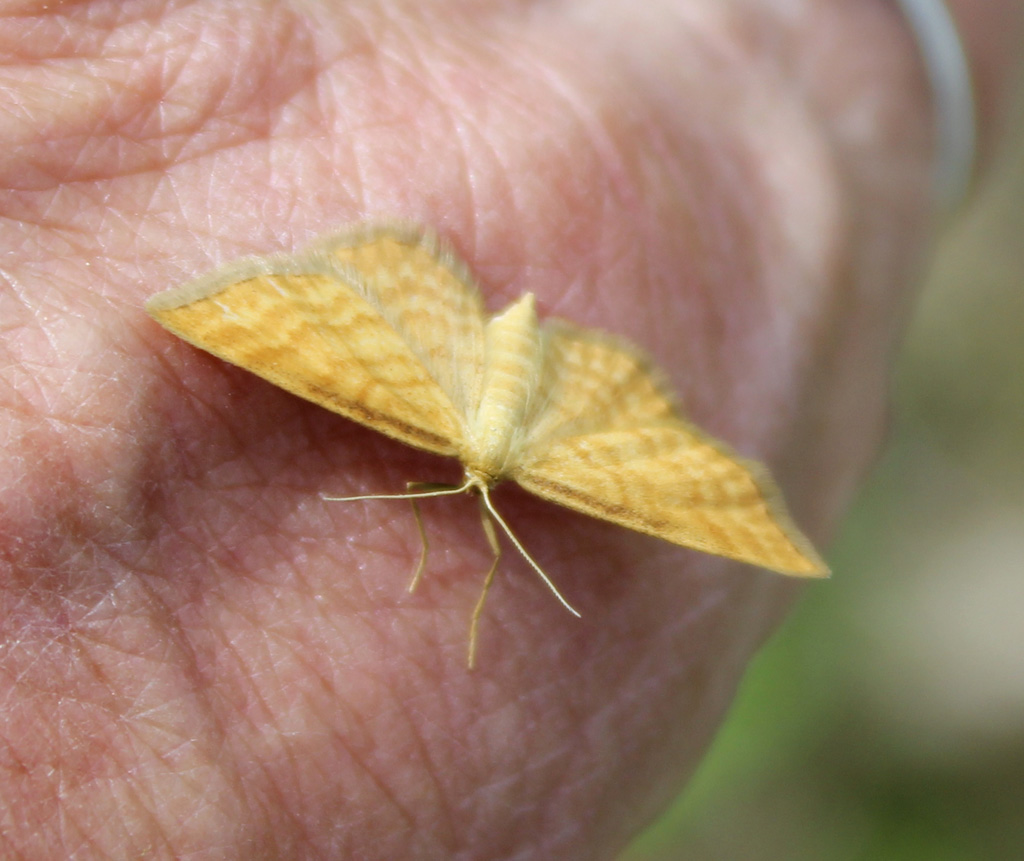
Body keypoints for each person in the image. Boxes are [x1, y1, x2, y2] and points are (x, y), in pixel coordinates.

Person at [1, 1, 1019, 857]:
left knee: (374, 404)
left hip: (445, 366)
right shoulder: (489, 459)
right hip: (520, 394)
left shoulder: (482, 451)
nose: (467, 487)